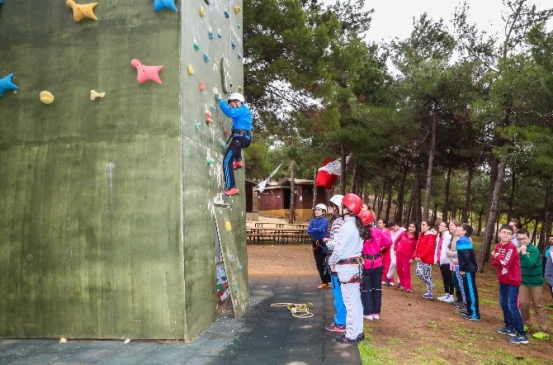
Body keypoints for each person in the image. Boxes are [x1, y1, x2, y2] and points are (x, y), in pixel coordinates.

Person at [329, 193, 366, 343]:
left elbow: (338, 249)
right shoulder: (358, 225)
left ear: (346, 208)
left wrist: (332, 261)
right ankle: (358, 331)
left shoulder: (346, 227)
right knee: (355, 301)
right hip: (356, 266)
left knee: (350, 302)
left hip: (346, 268)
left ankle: (351, 334)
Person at [492, 225, 528, 344]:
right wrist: (497, 258)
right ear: (499, 233)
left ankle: (522, 334)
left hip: (513, 280)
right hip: (503, 279)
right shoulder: (499, 246)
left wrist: (496, 255)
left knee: (512, 305)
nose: (505, 235)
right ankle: (509, 327)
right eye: (503, 232)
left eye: (508, 233)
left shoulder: (512, 247)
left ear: (512, 236)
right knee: (503, 303)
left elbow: (505, 263)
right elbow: (494, 263)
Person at [216, 92, 252, 196]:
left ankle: (232, 187)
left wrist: (220, 100)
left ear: (238, 102)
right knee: (235, 144)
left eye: (232, 104)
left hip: (240, 138)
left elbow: (230, 112)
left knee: (227, 161)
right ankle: (238, 161)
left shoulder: (241, 110)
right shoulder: (245, 111)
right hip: (244, 138)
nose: (232, 106)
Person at [517, 229, 549, 339]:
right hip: (523, 282)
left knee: (538, 305)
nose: (522, 241)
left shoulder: (534, 250)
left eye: (524, 238)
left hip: (536, 283)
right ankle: (526, 324)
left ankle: (544, 331)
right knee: (523, 303)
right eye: (519, 239)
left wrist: (524, 252)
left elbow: (530, 264)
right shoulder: (518, 250)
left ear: (529, 238)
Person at [360, 212, 392, 320]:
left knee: (366, 288)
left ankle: (368, 312)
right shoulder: (377, 231)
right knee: (377, 288)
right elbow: (389, 241)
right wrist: (379, 246)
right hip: (378, 263)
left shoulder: (360, 233)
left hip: (366, 263)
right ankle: (376, 313)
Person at [323, 195, 347, 333]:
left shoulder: (338, 222)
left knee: (338, 293)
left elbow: (337, 244)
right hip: (349, 263)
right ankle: (344, 318)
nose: (330, 208)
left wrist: (327, 241)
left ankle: (340, 322)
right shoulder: (351, 221)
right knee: (346, 293)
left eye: (331, 206)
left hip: (338, 263)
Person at [456, 223, 480, 322]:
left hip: (468, 270)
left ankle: (474, 314)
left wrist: (463, 268)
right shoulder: (463, 240)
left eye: (460, 228)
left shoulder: (463, 241)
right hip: (467, 269)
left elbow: (465, 257)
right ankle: (470, 310)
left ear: (464, 231)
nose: (457, 228)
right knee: (467, 291)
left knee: (471, 291)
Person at [307, 204, 330, 289]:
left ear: (323, 212)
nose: (316, 211)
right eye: (316, 209)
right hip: (315, 243)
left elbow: (320, 229)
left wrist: (313, 230)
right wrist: (315, 230)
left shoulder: (325, 220)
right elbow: (308, 231)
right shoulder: (313, 221)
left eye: (319, 210)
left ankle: (329, 279)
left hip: (323, 243)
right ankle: (324, 281)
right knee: (319, 263)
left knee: (327, 262)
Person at [446, 220, 466, 310]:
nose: (450, 227)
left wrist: (450, 253)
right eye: (449, 225)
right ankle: (459, 298)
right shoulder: (453, 237)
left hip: (459, 263)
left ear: (457, 227)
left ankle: (463, 300)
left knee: (458, 281)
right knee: (455, 280)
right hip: (453, 262)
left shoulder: (459, 238)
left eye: (452, 225)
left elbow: (461, 252)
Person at [414, 220, 437, 299]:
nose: (422, 226)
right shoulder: (421, 234)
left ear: (428, 227)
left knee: (427, 275)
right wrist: (416, 255)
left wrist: (421, 257)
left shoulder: (431, 236)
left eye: (424, 225)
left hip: (427, 259)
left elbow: (429, 248)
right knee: (418, 272)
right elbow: (418, 245)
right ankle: (430, 284)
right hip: (420, 258)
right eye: (421, 225)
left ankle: (429, 293)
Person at [395, 223, 418, 293]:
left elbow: (415, 250)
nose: (411, 228)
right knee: (399, 270)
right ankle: (402, 284)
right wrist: (395, 249)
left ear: (415, 229)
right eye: (410, 226)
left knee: (406, 272)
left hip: (407, 258)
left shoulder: (415, 239)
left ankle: (408, 287)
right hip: (399, 255)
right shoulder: (403, 233)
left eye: (413, 227)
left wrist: (412, 258)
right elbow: (396, 241)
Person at [436, 221, 454, 303]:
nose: (440, 226)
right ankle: (446, 293)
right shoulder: (439, 236)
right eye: (440, 225)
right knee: (444, 277)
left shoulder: (449, 236)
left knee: (450, 278)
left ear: (446, 228)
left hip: (447, 260)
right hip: (441, 260)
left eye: (442, 226)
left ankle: (451, 295)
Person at [385, 221, 405, 286]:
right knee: (393, 262)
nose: (393, 230)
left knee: (401, 265)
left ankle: (400, 281)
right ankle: (388, 277)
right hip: (393, 249)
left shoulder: (403, 231)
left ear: (396, 225)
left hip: (401, 250)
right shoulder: (391, 232)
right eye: (391, 229)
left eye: (393, 228)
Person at [377, 219, 393, 286]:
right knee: (380, 265)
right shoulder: (378, 231)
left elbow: (389, 241)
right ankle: (382, 278)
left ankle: (388, 279)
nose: (379, 224)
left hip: (386, 251)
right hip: (379, 251)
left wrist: (383, 248)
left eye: (380, 223)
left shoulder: (387, 231)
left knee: (387, 265)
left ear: (384, 224)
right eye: (378, 223)